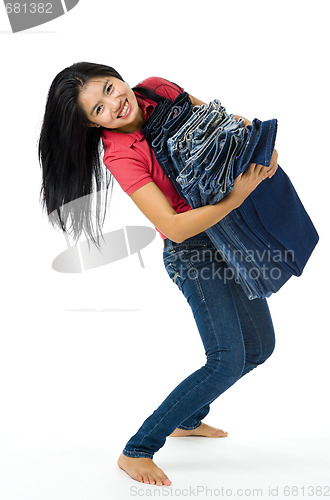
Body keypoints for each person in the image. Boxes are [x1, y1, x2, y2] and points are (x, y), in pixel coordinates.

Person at [39, 62, 278, 487]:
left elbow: (223, 122)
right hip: (191, 251)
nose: (115, 103)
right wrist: (240, 193)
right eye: (99, 109)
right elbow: (171, 225)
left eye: (111, 88)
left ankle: (188, 418)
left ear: (120, 77)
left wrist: (256, 143)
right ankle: (137, 450)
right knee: (227, 360)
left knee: (261, 347)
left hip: (229, 236)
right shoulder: (121, 154)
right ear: (92, 126)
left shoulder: (158, 90)